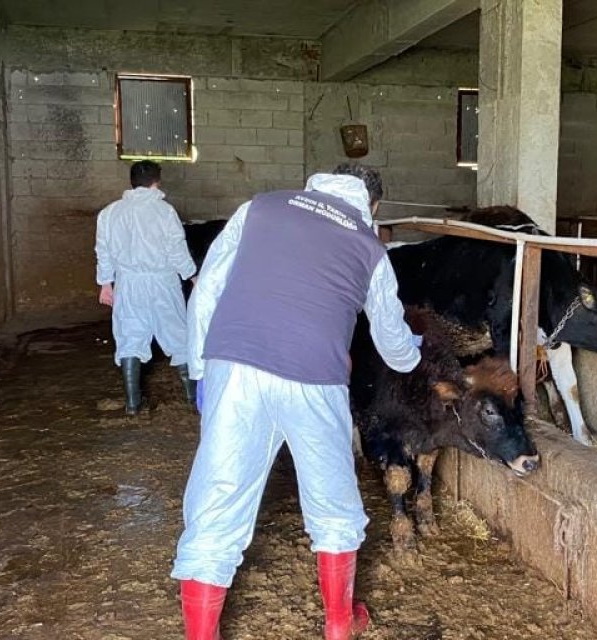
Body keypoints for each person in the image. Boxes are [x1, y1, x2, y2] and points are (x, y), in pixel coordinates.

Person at [173, 164, 422, 640]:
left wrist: (202, 369)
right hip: (315, 378)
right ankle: (338, 625)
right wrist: (416, 352)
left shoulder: (260, 207)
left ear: (316, 183)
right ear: (374, 206)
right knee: (332, 502)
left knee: (217, 498)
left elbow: (207, 289)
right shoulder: (370, 247)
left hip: (235, 365)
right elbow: (394, 346)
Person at [95, 160, 197, 414]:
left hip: (128, 283)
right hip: (163, 281)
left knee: (129, 337)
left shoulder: (110, 213)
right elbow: (176, 249)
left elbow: (103, 251)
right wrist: (192, 275)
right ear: (157, 181)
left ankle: (132, 404)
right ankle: (192, 399)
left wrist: (105, 284)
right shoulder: (165, 211)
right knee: (178, 335)